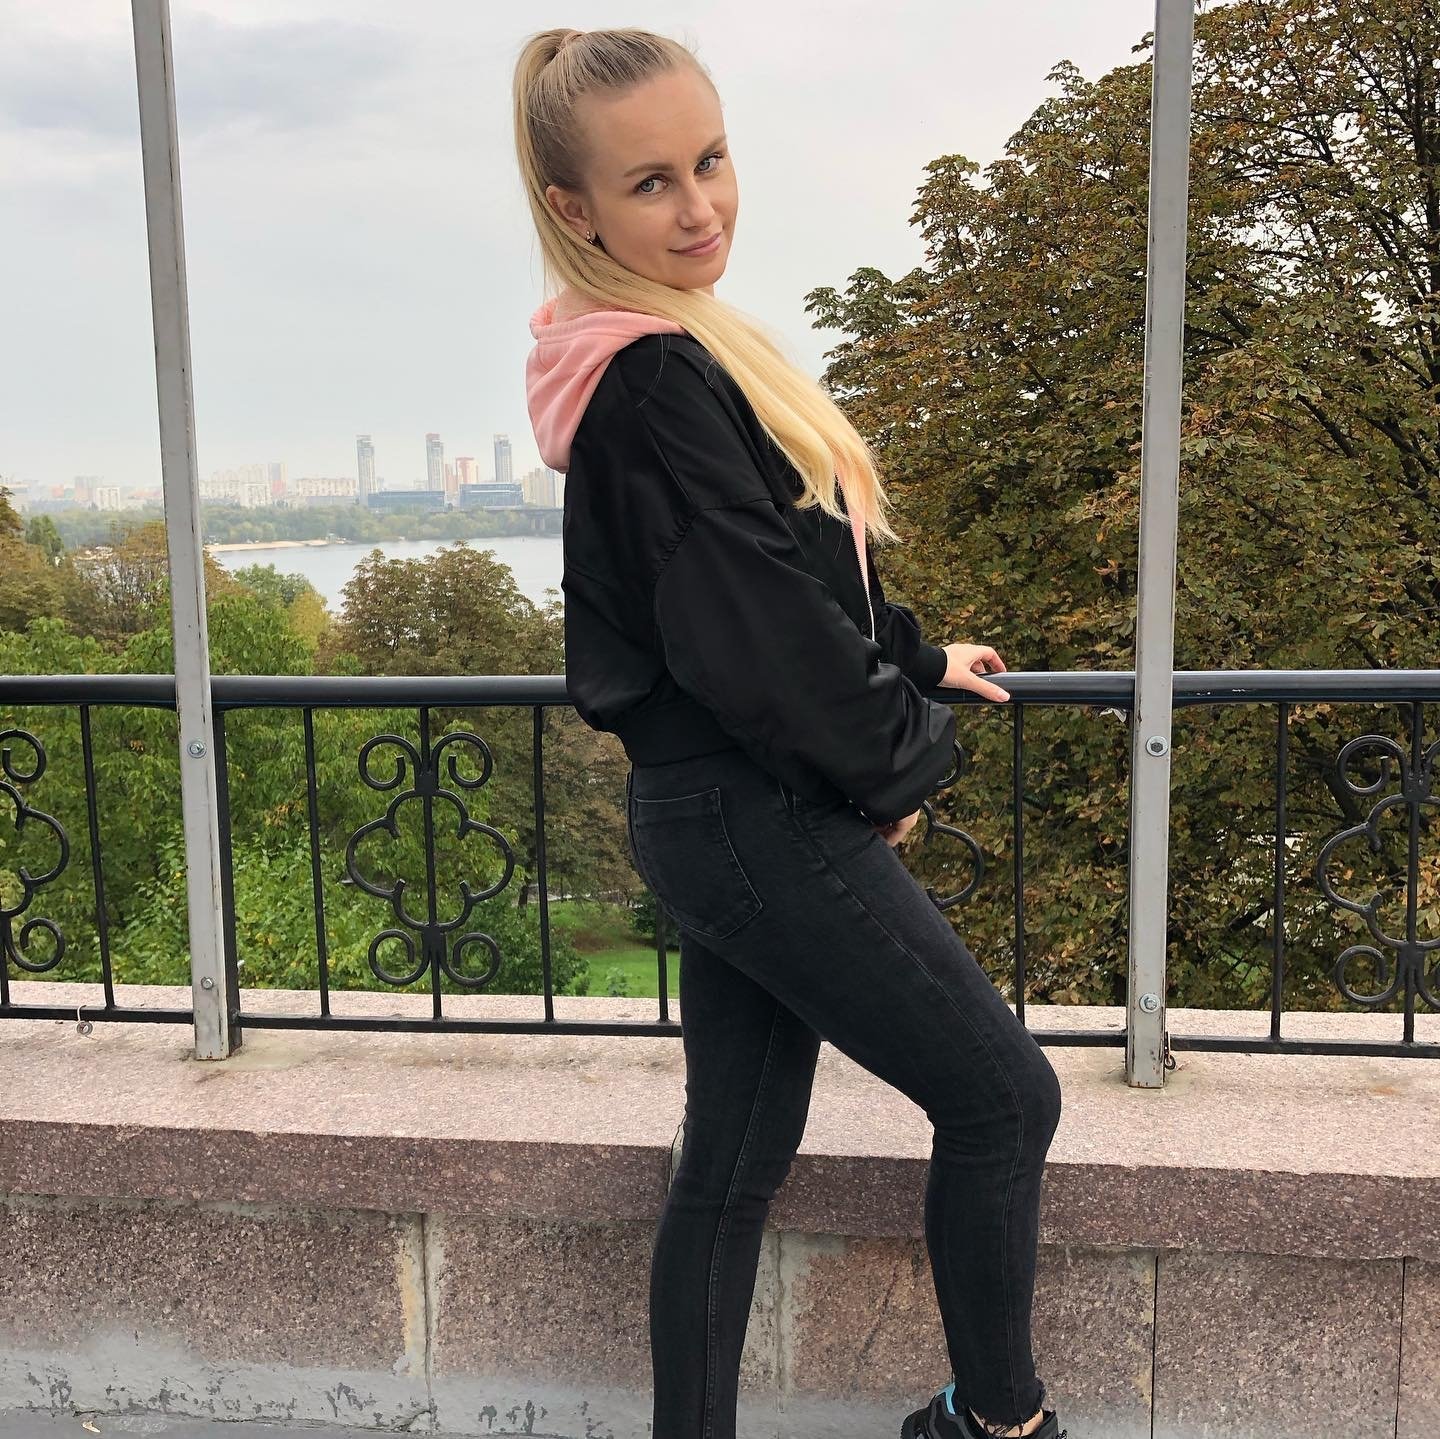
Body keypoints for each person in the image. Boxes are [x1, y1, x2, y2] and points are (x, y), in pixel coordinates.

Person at [513, 26, 1066, 1439]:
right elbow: (753, 630)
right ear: (576, 208)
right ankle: (993, 1427)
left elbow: (793, 572)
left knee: (734, 1163)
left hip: (716, 812)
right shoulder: (649, 379)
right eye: (650, 183)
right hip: (756, 813)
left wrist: (918, 659)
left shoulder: (668, 352)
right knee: (1005, 1101)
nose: (699, 205)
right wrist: (898, 760)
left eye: (710, 160)